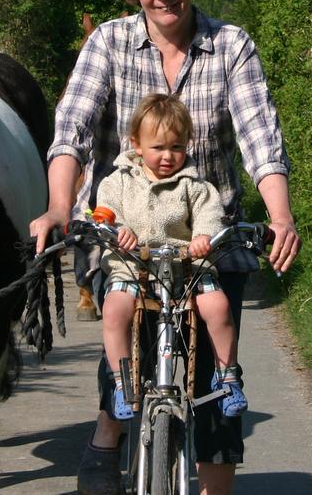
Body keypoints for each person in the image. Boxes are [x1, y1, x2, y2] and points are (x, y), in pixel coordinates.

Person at [29, 0, 301, 495]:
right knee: (122, 341)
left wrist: (280, 216)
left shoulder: (230, 45)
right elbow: (72, 129)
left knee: (212, 374)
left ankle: (214, 484)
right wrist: (58, 207)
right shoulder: (107, 42)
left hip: (205, 239)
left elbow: (259, 138)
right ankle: (110, 434)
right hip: (124, 236)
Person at [98, 92, 246, 420]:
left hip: (186, 266)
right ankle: (121, 383)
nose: (168, 156)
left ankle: (228, 375)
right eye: (158, 148)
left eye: (176, 148)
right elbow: (105, 211)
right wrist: (117, 228)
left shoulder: (195, 186)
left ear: (187, 146)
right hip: (133, 264)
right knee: (114, 310)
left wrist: (203, 237)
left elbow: (210, 213)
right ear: (136, 144)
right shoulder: (119, 181)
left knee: (218, 306)